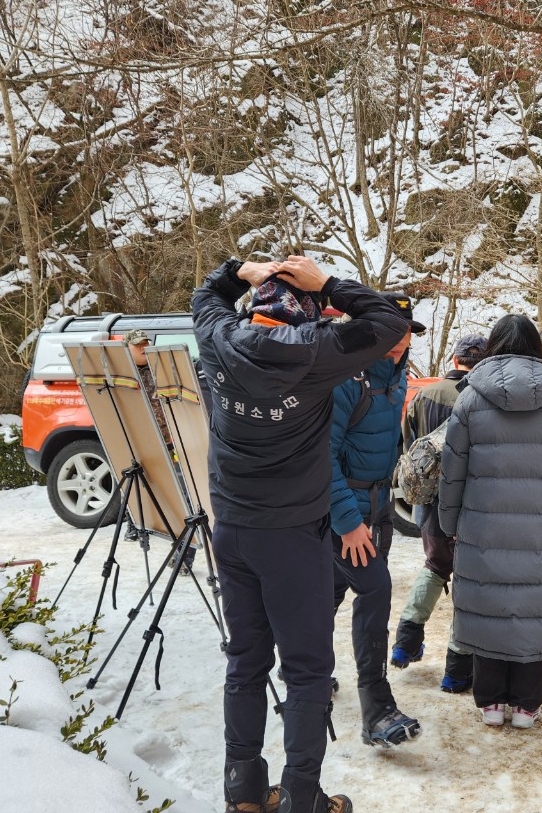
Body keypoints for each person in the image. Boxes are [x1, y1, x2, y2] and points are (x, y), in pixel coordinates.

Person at [193, 254, 409, 813]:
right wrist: (330, 282)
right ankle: (302, 795)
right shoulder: (316, 351)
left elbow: (206, 297)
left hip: (232, 530)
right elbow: (389, 323)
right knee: (308, 671)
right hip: (291, 536)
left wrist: (241, 270)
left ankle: (243, 791)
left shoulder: (218, 339)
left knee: (246, 661)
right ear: (309, 311)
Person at [438, 314, 542, 729]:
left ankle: (490, 702)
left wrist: (449, 522)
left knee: (489, 607)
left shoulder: (471, 397)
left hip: (483, 526)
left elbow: (453, 468)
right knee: (532, 607)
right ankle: (526, 704)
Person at [328, 294, 427, 748]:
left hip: (378, 505)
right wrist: (348, 521)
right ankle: (377, 709)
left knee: (329, 592)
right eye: (392, 329)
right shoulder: (345, 378)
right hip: (342, 510)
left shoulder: (398, 375)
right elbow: (322, 457)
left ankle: (305, 672)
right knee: (375, 589)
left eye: (406, 330)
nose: (401, 338)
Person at [390, 333, 488, 695]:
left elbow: (409, 446)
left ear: (455, 358)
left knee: (434, 567)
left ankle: (405, 643)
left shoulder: (425, 394)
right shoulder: (482, 397)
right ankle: (457, 671)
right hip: (470, 507)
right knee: (469, 583)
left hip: (429, 505)